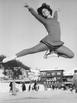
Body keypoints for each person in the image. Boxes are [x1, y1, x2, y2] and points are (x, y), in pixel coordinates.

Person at [3, 3, 74, 63]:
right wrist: (30, 8)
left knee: (71, 55)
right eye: (43, 12)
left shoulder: (55, 19)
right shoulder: (44, 20)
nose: (44, 12)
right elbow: (36, 15)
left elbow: (55, 15)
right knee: (31, 50)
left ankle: (54, 53)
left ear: (49, 11)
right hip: (48, 42)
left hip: (57, 44)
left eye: (45, 10)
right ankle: (13, 56)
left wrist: (56, 11)